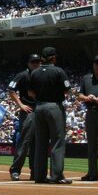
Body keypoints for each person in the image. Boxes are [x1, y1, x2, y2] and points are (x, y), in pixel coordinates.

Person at [29, 46, 73, 184]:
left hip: (39, 107)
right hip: (54, 107)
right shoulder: (58, 71)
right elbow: (67, 91)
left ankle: (39, 176)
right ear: (53, 57)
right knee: (57, 142)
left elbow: (30, 92)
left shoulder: (35, 72)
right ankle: (56, 176)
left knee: (41, 143)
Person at [8, 54, 41, 181]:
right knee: (25, 140)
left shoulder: (42, 75)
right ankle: (15, 170)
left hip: (41, 110)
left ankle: (36, 171)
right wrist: (21, 104)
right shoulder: (22, 75)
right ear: (28, 63)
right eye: (33, 62)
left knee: (38, 142)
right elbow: (11, 89)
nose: (35, 64)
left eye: (37, 62)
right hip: (29, 111)